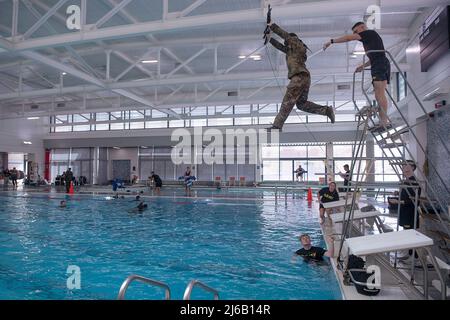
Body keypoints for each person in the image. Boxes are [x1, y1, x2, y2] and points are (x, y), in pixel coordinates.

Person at [265, 21, 335, 131]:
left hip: (299, 78)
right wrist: (270, 39)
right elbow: (281, 48)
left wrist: (272, 26)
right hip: (304, 78)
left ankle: (277, 126)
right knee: (301, 104)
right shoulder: (292, 51)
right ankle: (326, 111)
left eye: (287, 42)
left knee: (287, 102)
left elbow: (285, 36)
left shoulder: (296, 43)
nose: (286, 43)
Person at [323, 22, 391, 132]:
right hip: (378, 63)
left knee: (379, 92)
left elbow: (348, 38)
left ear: (362, 27)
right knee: (378, 94)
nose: (355, 34)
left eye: (356, 31)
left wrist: (331, 41)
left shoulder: (368, 33)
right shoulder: (369, 40)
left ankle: (384, 122)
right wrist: (362, 66)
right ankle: (383, 121)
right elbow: (374, 58)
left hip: (380, 64)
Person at [389, 161, 421, 262]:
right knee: (408, 234)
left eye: (407, 167)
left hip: (409, 213)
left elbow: (413, 201)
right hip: (404, 212)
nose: (404, 169)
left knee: (410, 235)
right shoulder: (406, 181)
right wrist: (398, 193)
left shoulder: (414, 182)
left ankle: (414, 257)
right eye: (403, 167)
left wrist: (398, 201)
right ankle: (410, 254)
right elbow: (407, 195)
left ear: (413, 168)